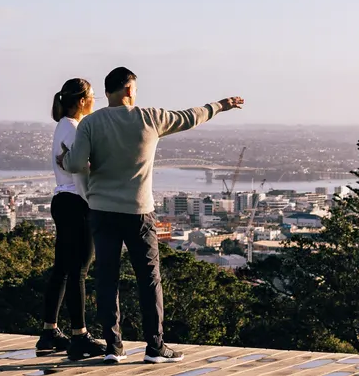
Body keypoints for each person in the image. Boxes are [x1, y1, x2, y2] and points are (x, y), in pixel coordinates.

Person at [59, 67, 244, 363]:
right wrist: (221, 105)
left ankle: (113, 347)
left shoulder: (90, 123)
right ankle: (155, 346)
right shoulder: (150, 117)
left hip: (102, 211)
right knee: (148, 279)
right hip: (138, 212)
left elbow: (77, 163)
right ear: (130, 90)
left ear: (107, 93)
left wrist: (65, 159)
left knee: (107, 278)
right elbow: (189, 116)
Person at [36, 79, 107, 360]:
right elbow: (83, 169)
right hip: (76, 203)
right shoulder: (76, 129)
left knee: (63, 270)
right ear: (82, 101)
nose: (94, 101)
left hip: (63, 201)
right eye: (92, 97)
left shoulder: (63, 126)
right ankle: (79, 336)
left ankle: (49, 331)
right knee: (78, 270)